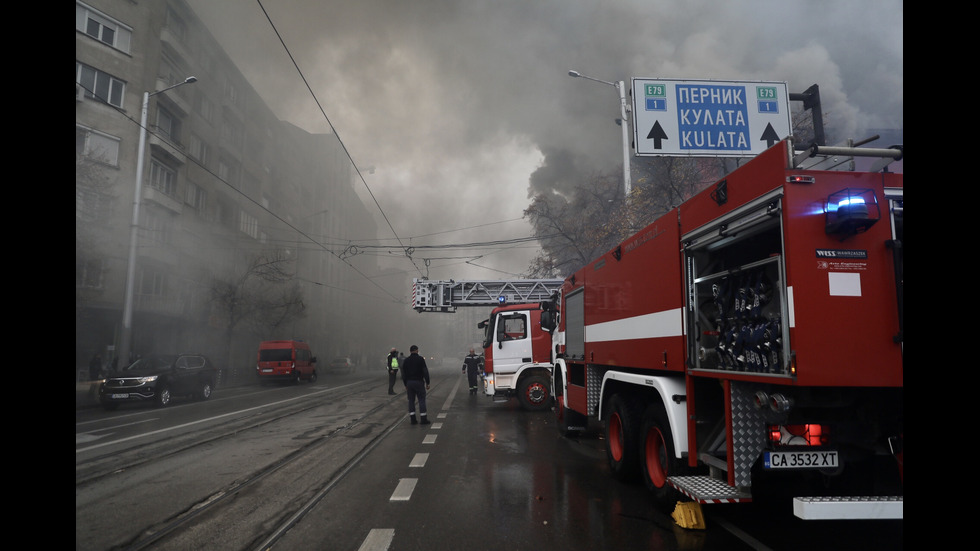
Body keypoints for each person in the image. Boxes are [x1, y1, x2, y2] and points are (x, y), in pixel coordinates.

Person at [401, 345, 431, 425]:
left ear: (410, 351)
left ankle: (413, 419)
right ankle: (423, 419)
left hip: (409, 383)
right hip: (419, 382)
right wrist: (427, 382)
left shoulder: (406, 360)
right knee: (421, 400)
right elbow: (425, 371)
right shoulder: (420, 359)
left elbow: (403, 374)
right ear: (417, 350)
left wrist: (405, 384)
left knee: (411, 400)